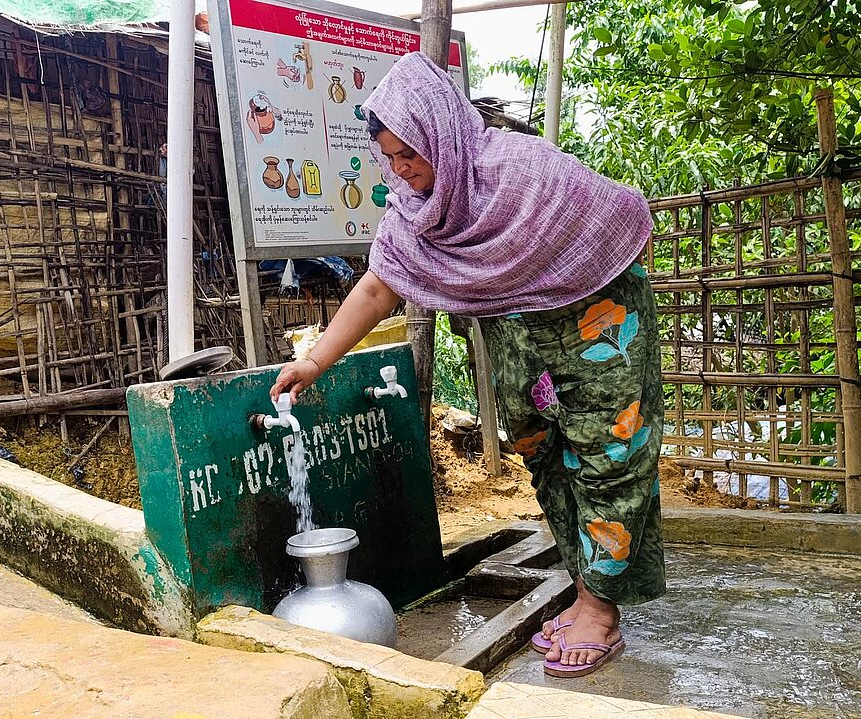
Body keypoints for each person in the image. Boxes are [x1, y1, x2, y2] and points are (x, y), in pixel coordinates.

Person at [270, 52, 665, 678]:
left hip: (600, 313)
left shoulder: (520, 169)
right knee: (539, 446)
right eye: (391, 158)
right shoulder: (414, 213)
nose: (403, 172)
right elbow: (379, 287)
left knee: (610, 452)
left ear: (442, 134)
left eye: (412, 155)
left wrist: (562, 271)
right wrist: (316, 362)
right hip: (517, 329)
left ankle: (599, 605)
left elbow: (617, 217)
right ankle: (589, 576)